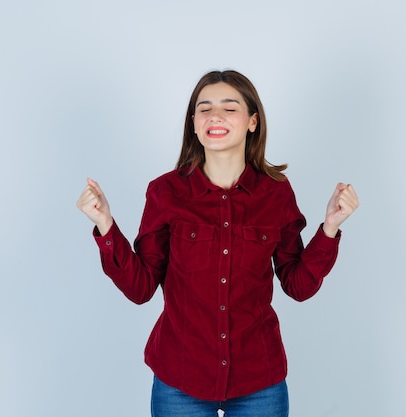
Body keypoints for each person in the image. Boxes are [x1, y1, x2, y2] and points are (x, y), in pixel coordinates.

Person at [76, 69, 359, 417]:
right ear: (194, 123)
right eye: (205, 108)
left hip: (259, 381)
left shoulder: (276, 193)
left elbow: (297, 285)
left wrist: (329, 227)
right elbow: (141, 287)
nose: (215, 116)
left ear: (252, 121)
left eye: (230, 107)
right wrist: (105, 224)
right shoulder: (165, 193)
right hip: (180, 380)